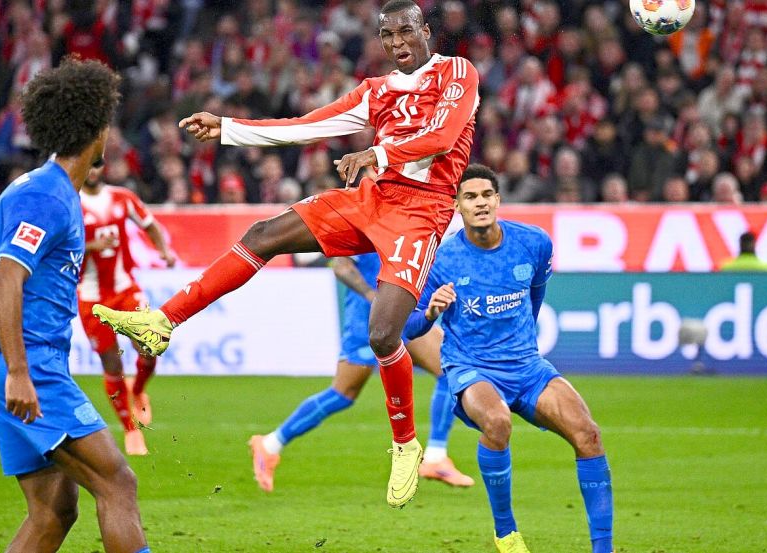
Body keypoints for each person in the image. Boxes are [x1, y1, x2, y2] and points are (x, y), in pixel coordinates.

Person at [94, 0, 479, 509]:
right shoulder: (377, 91)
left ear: (424, 30)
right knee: (263, 234)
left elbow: (444, 135)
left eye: (405, 31)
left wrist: (377, 153)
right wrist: (229, 129)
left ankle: (406, 444)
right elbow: (307, 125)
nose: (396, 43)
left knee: (383, 333)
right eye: (387, 36)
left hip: (420, 212)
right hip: (372, 199)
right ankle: (163, 321)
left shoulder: (457, 72)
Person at [0, 58, 150, 553]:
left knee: (53, 512)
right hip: (30, 366)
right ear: (97, 127)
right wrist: (21, 372)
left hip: (16, 361)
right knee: (117, 482)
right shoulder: (48, 197)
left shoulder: (51, 190)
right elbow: (7, 279)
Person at [404, 165, 613, 553]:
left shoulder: (534, 244)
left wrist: (525, 348)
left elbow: (535, 296)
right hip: (472, 368)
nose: (480, 203)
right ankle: (506, 532)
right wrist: (431, 313)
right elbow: (408, 328)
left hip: (528, 368)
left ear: (498, 200)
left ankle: (604, 549)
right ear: (457, 205)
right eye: (470, 197)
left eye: (486, 195)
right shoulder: (442, 259)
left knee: (589, 435)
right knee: (497, 422)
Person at [249, 252, 475, 492]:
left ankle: (435, 457)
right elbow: (341, 266)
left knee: (449, 370)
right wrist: (374, 297)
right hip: (368, 320)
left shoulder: (413, 225)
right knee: (342, 394)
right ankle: (271, 444)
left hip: (402, 314)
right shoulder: (370, 222)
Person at [78, 167, 177, 456]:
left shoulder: (123, 198)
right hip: (91, 297)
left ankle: (138, 390)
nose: (93, 170)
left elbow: (149, 224)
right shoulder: (72, 204)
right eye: (89, 165)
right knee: (112, 365)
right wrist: (92, 245)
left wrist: (162, 250)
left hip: (125, 288)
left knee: (149, 345)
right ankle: (131, 429)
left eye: (98, 165)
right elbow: (59, 247)